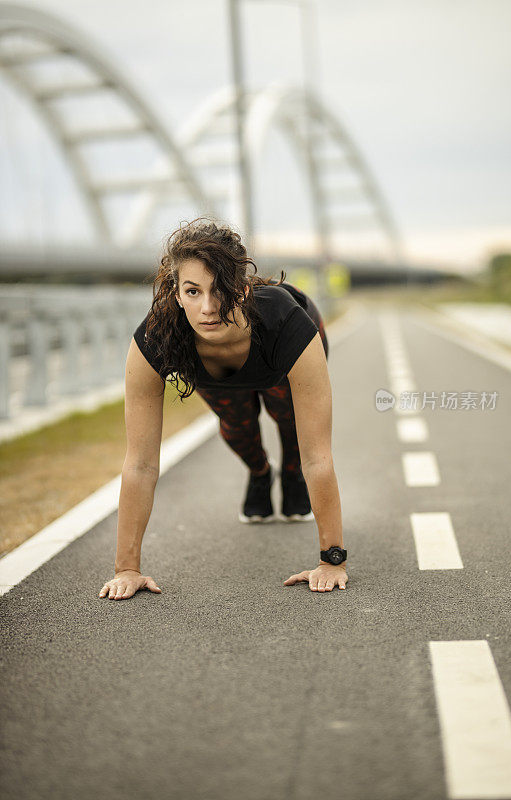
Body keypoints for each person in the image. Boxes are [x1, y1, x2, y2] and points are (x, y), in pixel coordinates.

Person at [99, 218, 348, 601]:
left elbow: (321, 455)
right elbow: (140, 463)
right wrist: (126, 569)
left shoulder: (287, 322)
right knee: (238, 426)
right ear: (177, 294)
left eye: (220, 290)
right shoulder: (157, 338)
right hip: (216, 376)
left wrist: (332, 562)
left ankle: (290, 475)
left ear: (244, 289)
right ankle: (260, 473)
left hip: (279, 357)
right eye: (193, 291)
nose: (208, 308)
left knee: (292, 426)